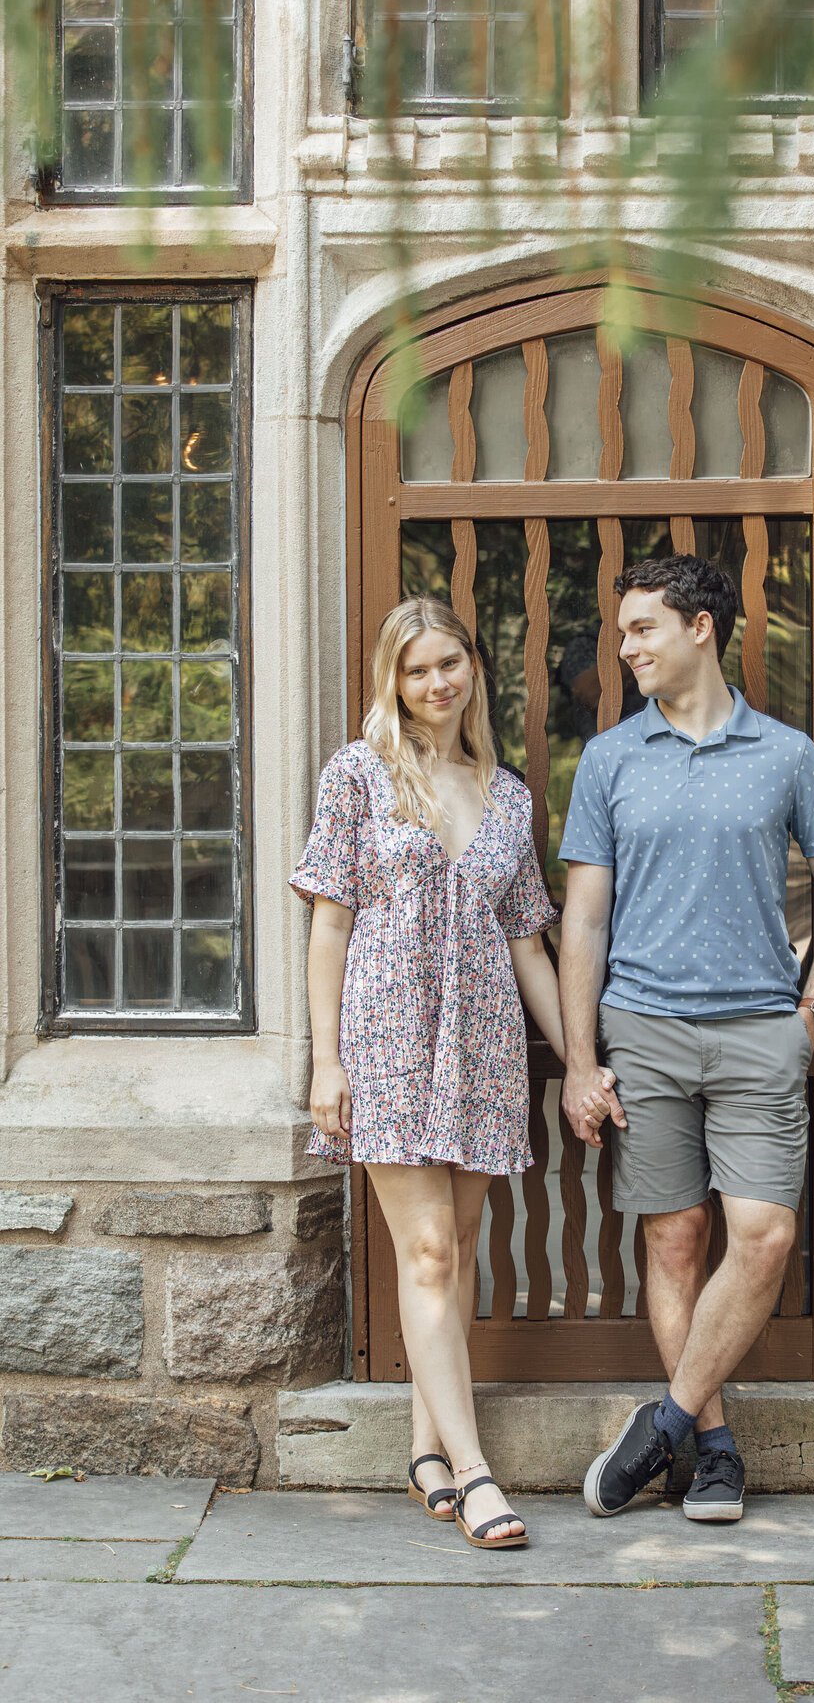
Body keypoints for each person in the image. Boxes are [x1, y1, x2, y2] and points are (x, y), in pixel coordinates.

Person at [290, 596, 615, 1550]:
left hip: (482, 1044)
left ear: (473, 668)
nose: (437, 683)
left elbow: (529, 947)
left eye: (450, 664)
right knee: (428, 1251)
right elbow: (331, 924)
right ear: (394, 679)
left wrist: (582, 1065)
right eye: (417, 669)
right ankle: (475, 1474)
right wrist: (326, 1059)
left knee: (461, 1247)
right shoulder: (359, 775)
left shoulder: (507, 793)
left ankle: (427, 1451)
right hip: (387, 1039)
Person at [557, 555, 814, 1524]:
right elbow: (584, 923)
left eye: (642, 628)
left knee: (764, 1238)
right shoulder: (610, 759)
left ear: (701, 627)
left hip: (758, 1035)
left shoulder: (786, 755)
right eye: (622, 633)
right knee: (677, 1238)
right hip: (642, 1032)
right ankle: (717, 1448)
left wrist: (807, 1025)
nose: (626, 647)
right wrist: (578, 1061)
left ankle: (660, 1429)